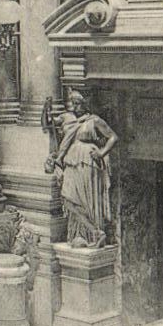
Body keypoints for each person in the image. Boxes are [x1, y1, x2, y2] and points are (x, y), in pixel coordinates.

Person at [48, 90, 118, 248]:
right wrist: (46, 108)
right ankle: (90, 232)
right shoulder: (68, 119)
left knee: (86, 199)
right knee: (68, 197)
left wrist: (101, 153)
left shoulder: (94, 120)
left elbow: (113, 137)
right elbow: (49, 123)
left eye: (78, 103)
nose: (75, 106)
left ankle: (92, 235)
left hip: (87, 161)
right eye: (73, 103)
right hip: (71, 161)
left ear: (85, 103)